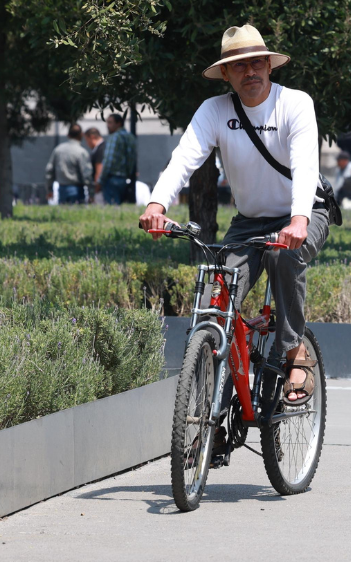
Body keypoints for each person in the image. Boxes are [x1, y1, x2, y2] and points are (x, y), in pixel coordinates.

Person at [141, 24, 330, 408]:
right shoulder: (215, 110)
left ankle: (295, 352)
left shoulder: (295, 103)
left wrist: (298, 220)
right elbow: (184, 158)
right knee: (220, 294)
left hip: (304, 212)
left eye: (258, 62)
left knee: (282, 255)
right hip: (249, 220)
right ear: (225, 73)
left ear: (270, 67)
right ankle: (216, 393)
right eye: (240, 66)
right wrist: (158, 203)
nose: (251, 72)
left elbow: (305, 166)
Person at [46, 124, 93, 204]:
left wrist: (49, 190)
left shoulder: (58, 150)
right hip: (77, 189)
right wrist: (91, 193)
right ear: (81, 135)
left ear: (68, 135)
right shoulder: (81, 152)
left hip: (61, 189)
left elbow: (49, 171)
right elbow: (86, 174)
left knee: (63, 214)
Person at [98, 113, 137, 204]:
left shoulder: (114, 137)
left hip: (112, 179)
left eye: (110, 123)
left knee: (111, 207)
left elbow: (108, 161)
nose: (107, 126)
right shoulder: (130, 137)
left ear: (119, 123)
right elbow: (132, 160)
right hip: (124, 179)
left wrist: (101, 180)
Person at [85, 127, 106, 202]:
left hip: (100, 188)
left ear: (92, 137)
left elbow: (99, 169)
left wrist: (97, 186)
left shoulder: (100, 149)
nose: (87, 143)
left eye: (87, 140)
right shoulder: (102, 147)